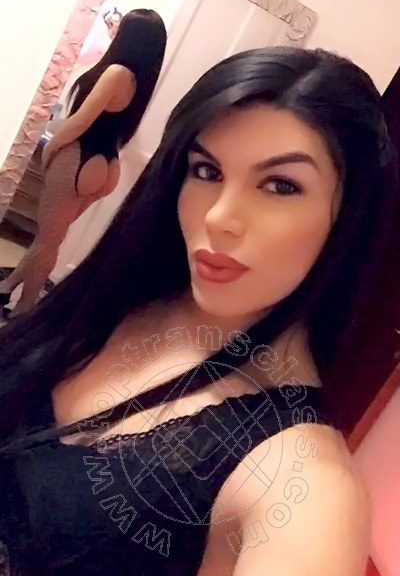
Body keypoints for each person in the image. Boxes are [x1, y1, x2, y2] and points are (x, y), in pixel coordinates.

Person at [0, 47, 398, 574]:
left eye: (281, 185)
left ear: (348, 217)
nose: (218, 216)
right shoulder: (119, 297)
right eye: (206, 170)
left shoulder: (305, 487)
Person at [0, 8, 167, 318]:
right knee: (50, 238)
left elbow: (79, 121)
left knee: (48, 241)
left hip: (79, 157)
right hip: (105, 165)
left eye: (120, 26)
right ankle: (8, 285)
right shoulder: (139, 80)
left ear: (129, 37)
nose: (115, 29)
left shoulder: (116, 72)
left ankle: (25, 311)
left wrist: (51, 149)